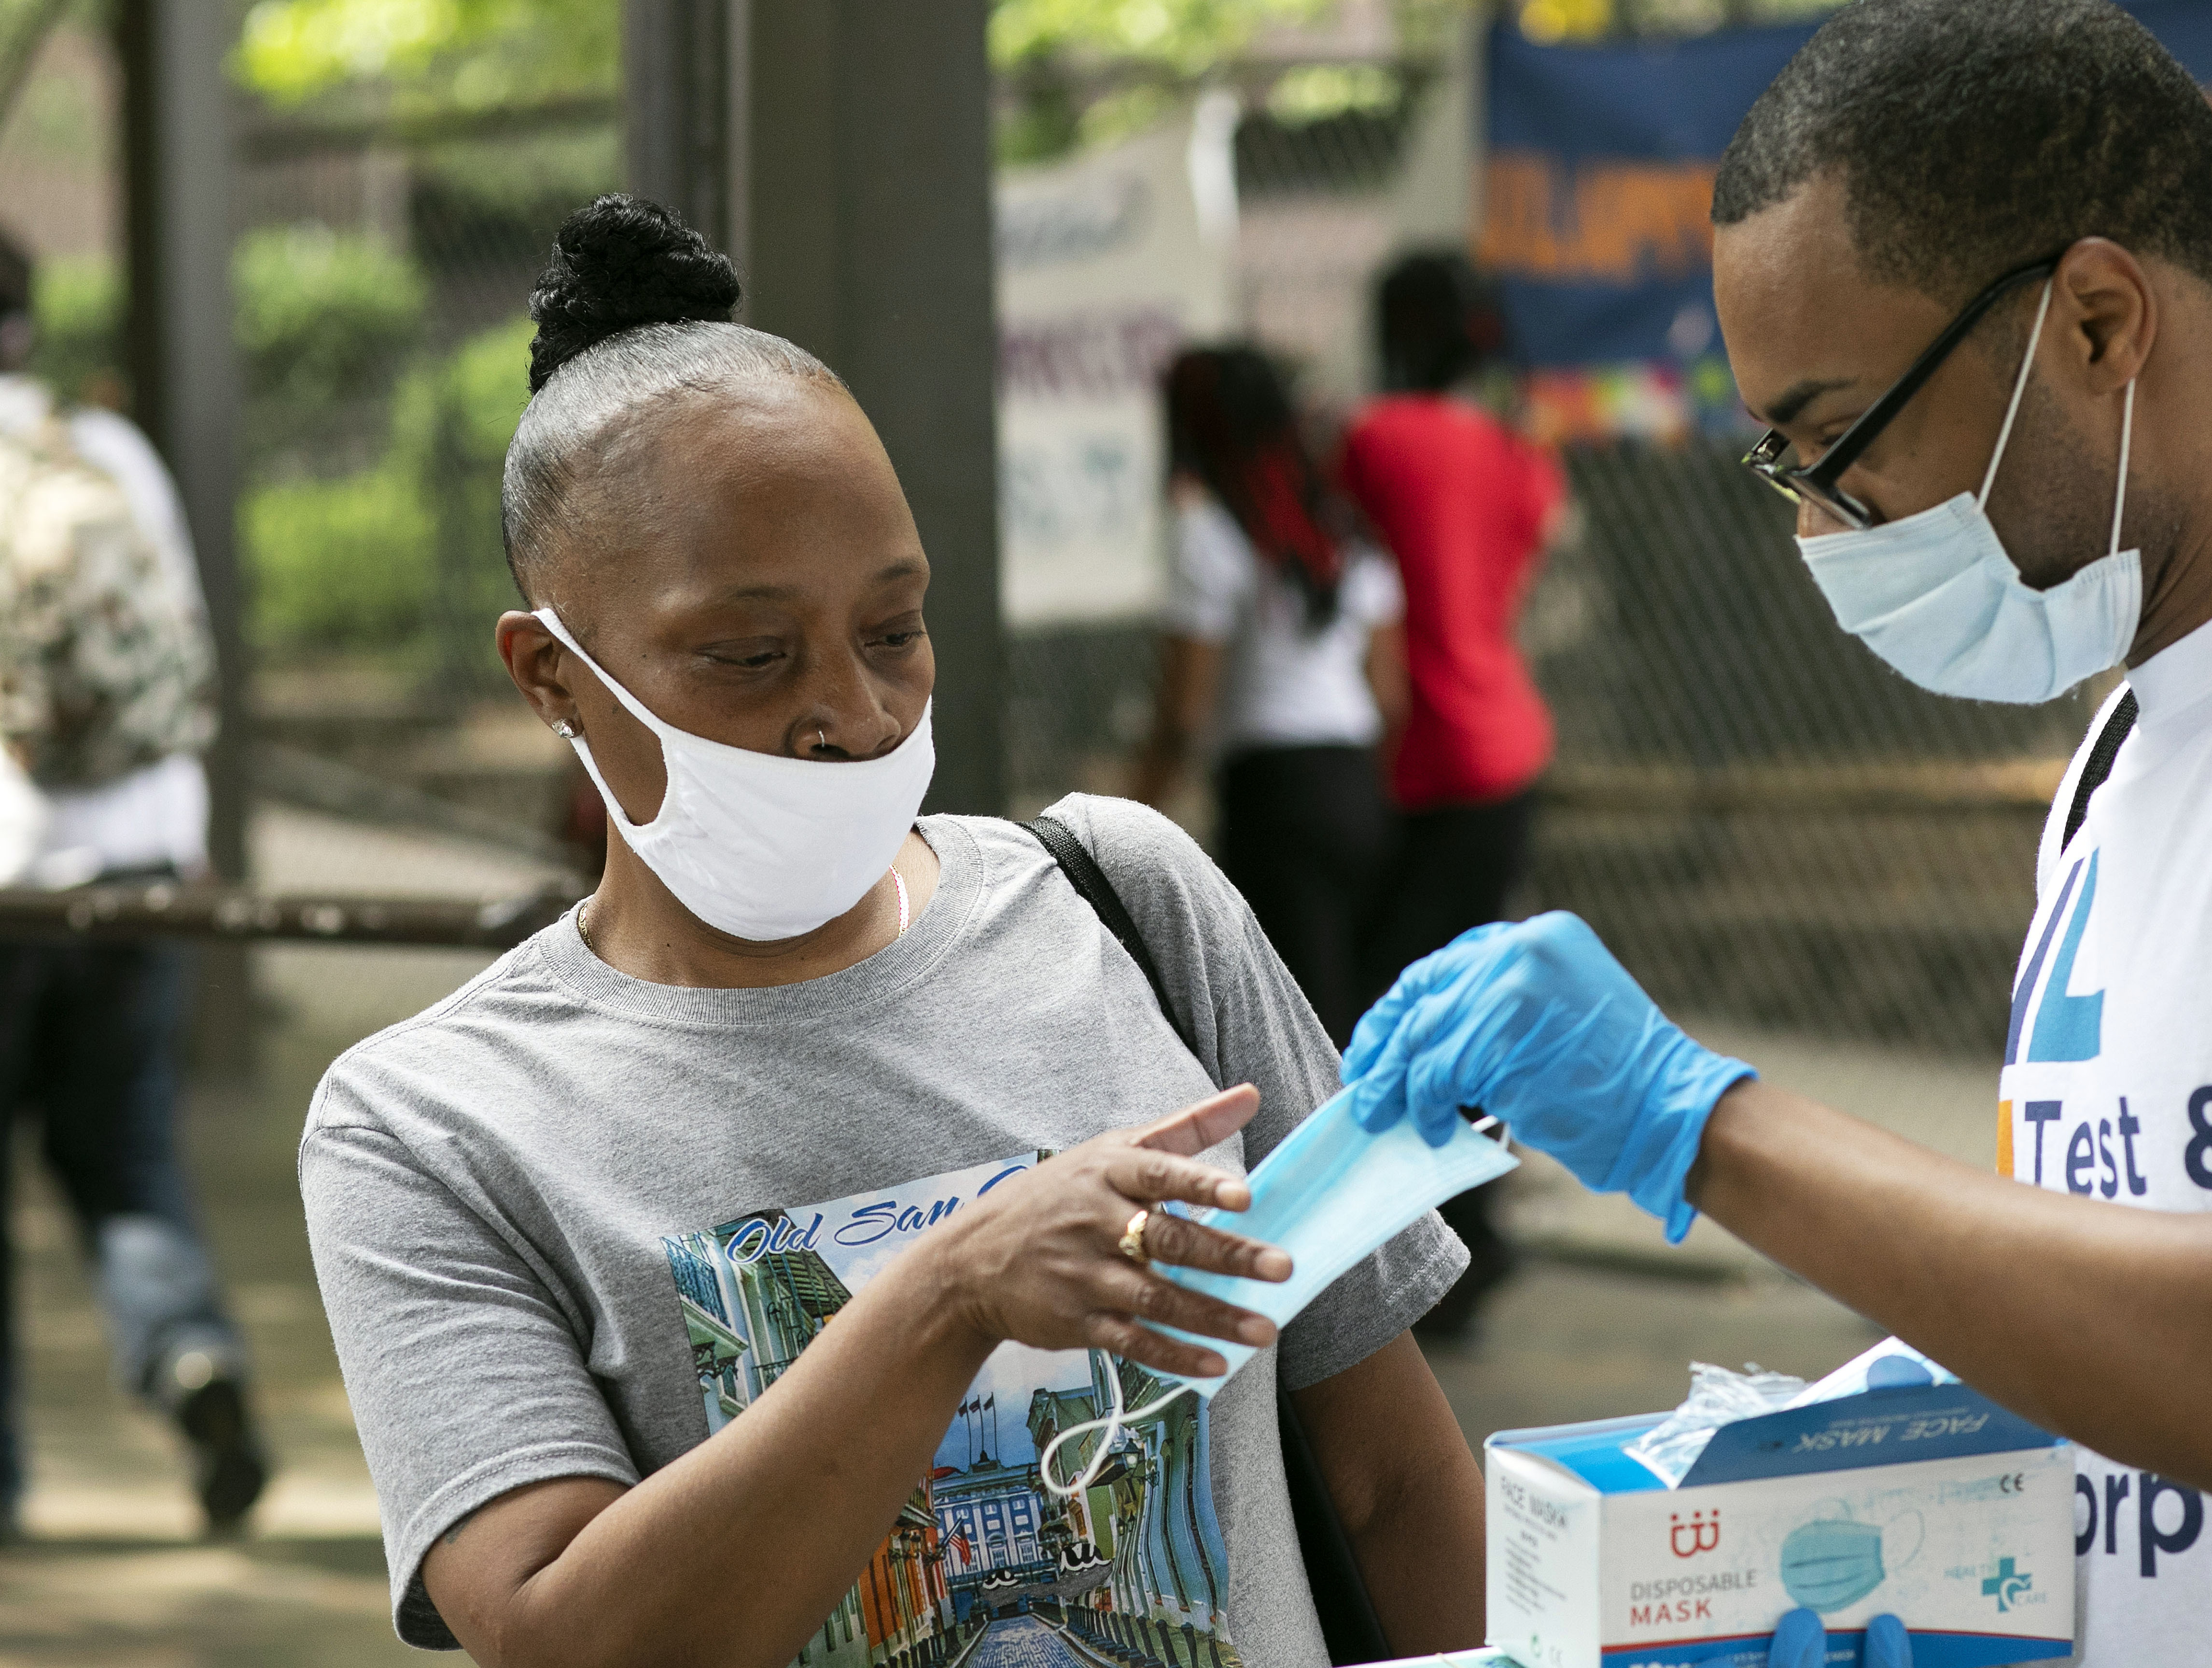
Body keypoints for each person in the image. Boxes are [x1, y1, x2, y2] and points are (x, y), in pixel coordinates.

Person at [1339, 4, 2212, 1664]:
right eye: (1783, 462)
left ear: (2097, 320)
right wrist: (1788, 1507)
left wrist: (1702, 1122)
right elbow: (2128, 1315)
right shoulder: (2126, 751)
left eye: (1841, 442)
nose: (1821, 528)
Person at [300, 197, 1485, 1667]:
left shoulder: (1126, 901)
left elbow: (1394, 1482)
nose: (851, 718)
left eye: (893, 632)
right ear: (552, 674)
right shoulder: (429, 1127)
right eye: (749, 656)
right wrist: (947, 1294)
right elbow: (560, 1639)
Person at [0, 227, 267, 1538]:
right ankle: (187, 1360)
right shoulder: (104, 452)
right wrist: (184, 829)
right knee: (126, 1154)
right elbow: (184, 663)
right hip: (142, 868)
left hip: (5, 883)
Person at [1338, 251, 1566, 1334]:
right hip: (1506, 749)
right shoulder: (1521, 456)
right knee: (1470, 1007)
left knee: (1393, 1019)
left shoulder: (1373, 442)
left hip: (1419, 759)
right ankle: (1482, 1237)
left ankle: (1448, 1253)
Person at [1133, 345, 1405, 1044]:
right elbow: (1389, 691)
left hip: (1275, 795)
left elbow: (1185, 712)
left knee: (1295, 1031)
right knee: (1344, 1009)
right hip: (1354, 780)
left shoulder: (1210, 532)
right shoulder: (1338, 524)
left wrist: (1128, 814)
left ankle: (1326, 1156)